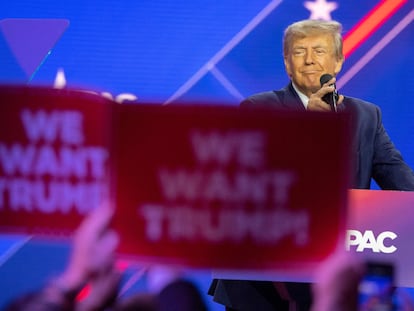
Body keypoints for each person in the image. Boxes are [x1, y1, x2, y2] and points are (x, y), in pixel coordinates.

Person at [209, 19, 414, 311]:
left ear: (339, 60)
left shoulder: (367, 115)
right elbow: (255, 178)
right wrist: (309, 128)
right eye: (298, 52)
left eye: (318, 51)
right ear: (287, 64)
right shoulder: (258, 108)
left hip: (330, 277)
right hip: (263, 286)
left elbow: (400, 179)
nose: (308, 60)